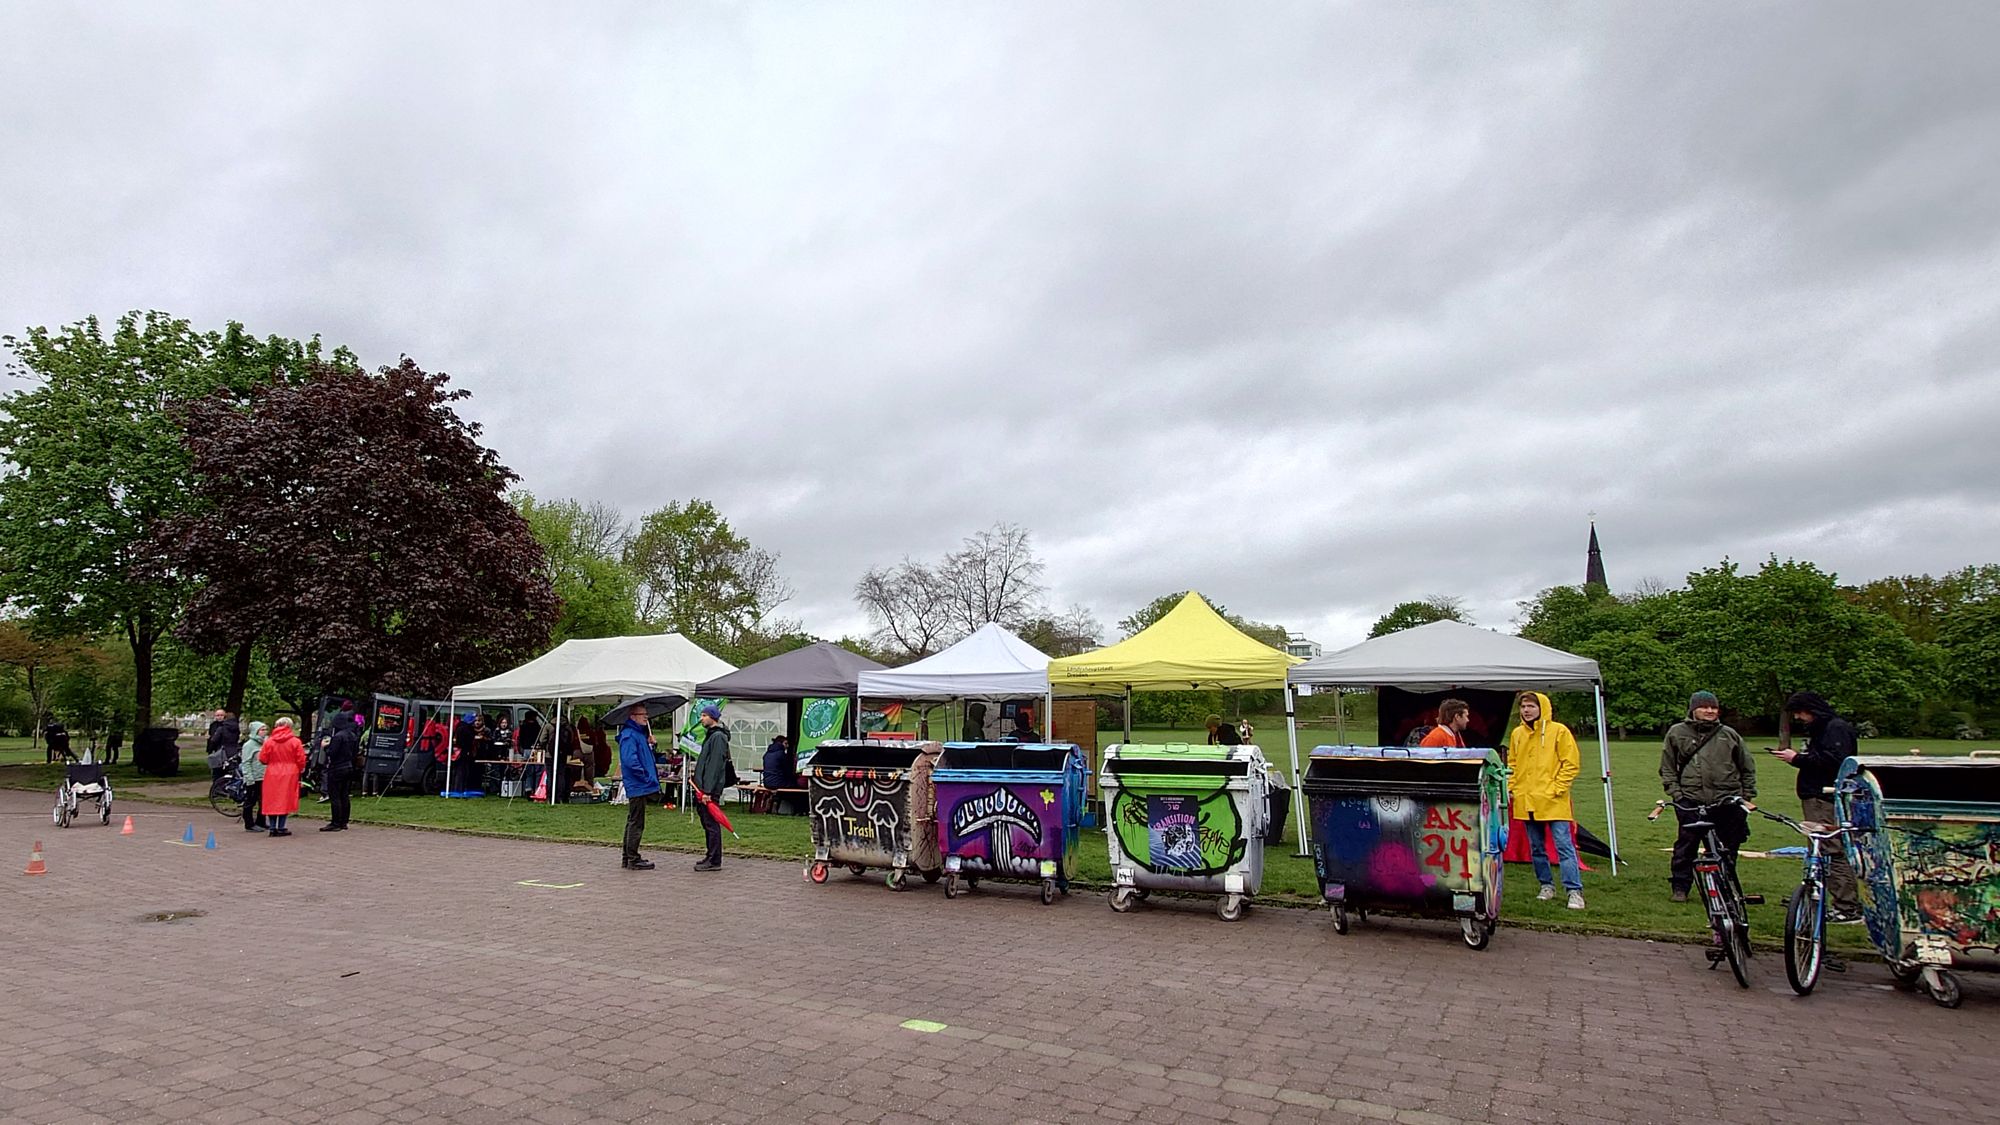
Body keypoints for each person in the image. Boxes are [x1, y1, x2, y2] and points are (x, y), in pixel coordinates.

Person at [1659, 690, 1755, 903]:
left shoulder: (1729, 734)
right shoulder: (1677, 733)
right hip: (1691, 800)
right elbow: (1667, 768)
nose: (1710, 711)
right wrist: (1677, 795)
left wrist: (1746, 796)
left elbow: (1747, 767)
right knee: (1686, 846)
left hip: (1727, 800)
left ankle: (1726, 886)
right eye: (1704, 707)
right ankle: (1680, 887)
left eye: (1713, 707)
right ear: (1694, 709)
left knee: (1728, 847)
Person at [1773, 690, 1861, 921]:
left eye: (1800, 713)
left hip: (1824, 799)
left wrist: (1798, 759)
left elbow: (1836, 761)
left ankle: (1846, 907)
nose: (1799, 718)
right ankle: (1819, 896)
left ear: (1810, 709)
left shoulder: (1835, 728)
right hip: (1816, 796)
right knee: (1819, 849)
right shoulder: (1826, 728)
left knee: (1830, 848)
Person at [1509, 692, 1585, 910]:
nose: (1526, 710)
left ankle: (1574, 891)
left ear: (1542, 707)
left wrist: (1557, 788)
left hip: (1553, 801)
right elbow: (1513, 764)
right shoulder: (1517, 734)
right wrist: (1511, 788)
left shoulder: (1558, 731)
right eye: (1523, 706)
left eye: (1531, 706)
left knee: (1564, 846)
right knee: (1536, 848)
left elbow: (1570, 763)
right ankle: (1546, 885)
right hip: (1527, 800)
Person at [616, 704, 660, 869]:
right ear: (633, 716)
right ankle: (632, 858)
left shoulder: (639, 735)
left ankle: (629, 857)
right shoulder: (629, 735)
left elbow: (645, 756)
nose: (646, 717)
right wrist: (644, 776)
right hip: (638, 784)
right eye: (643, 714)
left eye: (646, 714)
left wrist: (651, 745)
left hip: (640, 783)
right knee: (636, 821)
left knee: (634, 820)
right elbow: (629, 761)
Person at [693, 705, 731, 871]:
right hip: (704, 788)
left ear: (712, 717)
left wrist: (707, 790)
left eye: (704, 715)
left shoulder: (717, 737)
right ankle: (710, 855)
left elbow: (714, 765)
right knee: (707, 822)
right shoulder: (711, 736)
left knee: (711, 824)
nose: (701, 719)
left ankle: (714, 859)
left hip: (710, 790)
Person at [259, 717, 307, 837]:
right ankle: (281, 827)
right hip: (290, 772)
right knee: (285, 798)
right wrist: (300, 769)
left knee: (272, 799)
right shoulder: (295, 741)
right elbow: (301, 759)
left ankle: (272, 827)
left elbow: (263, 759)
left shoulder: (269, 741)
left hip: (272, 772)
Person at [321, 704, 361, 832]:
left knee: (335, 795)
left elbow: (332, 753)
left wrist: (325, 747)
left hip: (337, 767)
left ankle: (335, 822)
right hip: (349, 766)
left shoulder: (338, 737)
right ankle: (344, 821)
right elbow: (355, 753)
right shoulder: (352, 736)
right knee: (344, 794)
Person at [239, 721, 269, 832]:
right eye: (262, 730)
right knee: (251, 801)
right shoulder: (249, 745)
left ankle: (261, 821)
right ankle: (249, 823)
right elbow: (246, 762)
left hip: (264, 776)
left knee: (263, 801)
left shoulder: (265, 743)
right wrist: (249, 777)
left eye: (265, 729)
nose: (264, 732)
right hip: (253, 777)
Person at [206, 708, 241, 787]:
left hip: (222, 750)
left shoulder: (222, 728)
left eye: (221, 715)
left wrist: (210, 745)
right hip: (234, 750)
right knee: (231, 770)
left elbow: (214, 740)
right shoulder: (236, 727)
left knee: (218, 770)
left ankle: (218, 788)